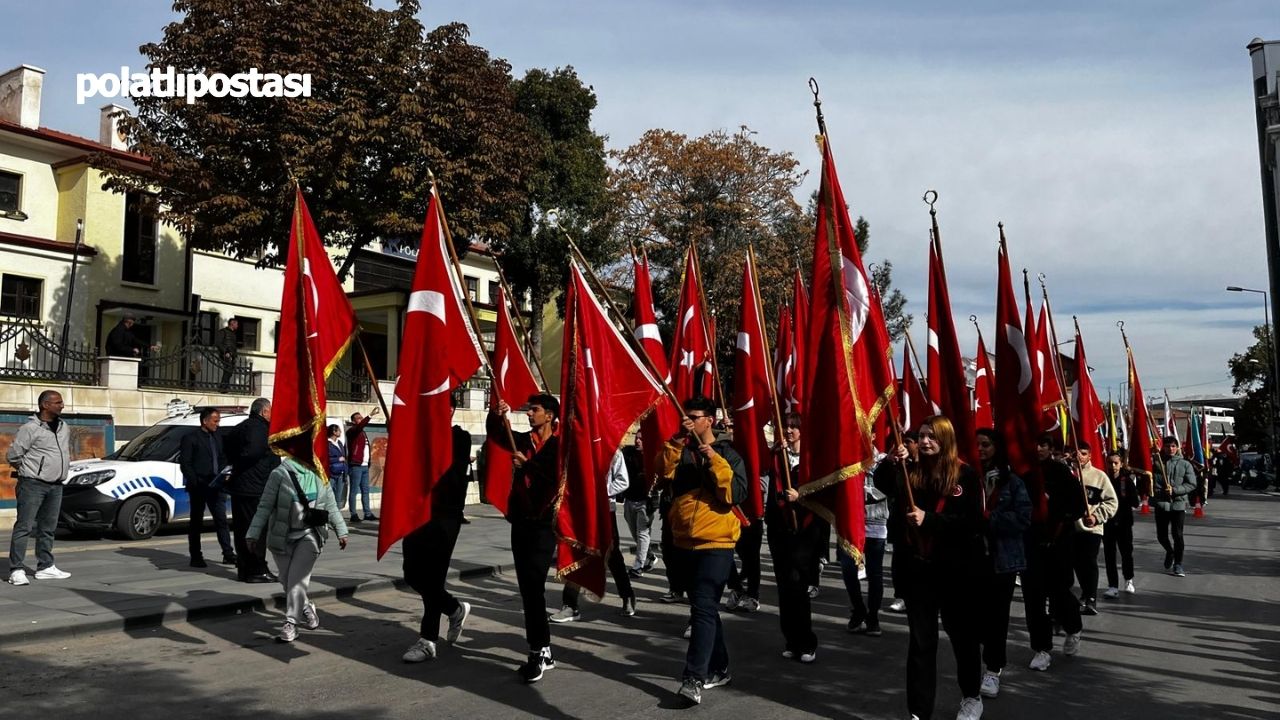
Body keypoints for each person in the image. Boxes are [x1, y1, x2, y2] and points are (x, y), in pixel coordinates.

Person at [887, 416, 986, 720]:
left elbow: (973, 525)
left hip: (957, 573)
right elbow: (881, 482)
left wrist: (929, 519)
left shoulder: (966, 476)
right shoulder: (911, 473)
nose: (926, 441)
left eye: (932, 436)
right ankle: (919, 710)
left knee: (963, 639)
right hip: (920, 573)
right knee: (921, 642)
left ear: (946, 439)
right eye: (922, 436)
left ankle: (971, 696)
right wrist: (893, 459)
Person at [660, 396, 748, 707]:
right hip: (683, 542)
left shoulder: (728, 454)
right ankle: (720, 667)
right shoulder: (680, 451)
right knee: (704, 607)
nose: (688, 421)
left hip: (717, 544)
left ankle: (693, 677)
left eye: (694, 417)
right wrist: (675, 441)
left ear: (709, 420)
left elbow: (734, 493)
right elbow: (662, 473)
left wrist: (713, 459)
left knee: (703, 607)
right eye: (685, 417)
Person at [486, 393, 561, 683]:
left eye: (535, 410)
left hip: (544, 525)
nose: (529, 414)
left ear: (550, 416)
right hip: (521, 523)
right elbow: (496, 433)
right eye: (529, 409)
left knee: (533, 587)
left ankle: (538, 651)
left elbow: (556, 477)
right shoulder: (522, 441)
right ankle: (543, 649)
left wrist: (527, 466)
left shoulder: (558, 446)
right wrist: (496, 413)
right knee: (528, 588)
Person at [402, 393, 474, 662]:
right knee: (411, 574)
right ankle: (454, 609)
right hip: (417, 513)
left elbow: (447, 468)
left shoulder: (460, 437)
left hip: (445, 517)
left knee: (433, 577)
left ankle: (428, 640)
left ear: (451, 410)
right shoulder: (418, 436)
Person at [247, 457, 348, 642]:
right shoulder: (279, 474)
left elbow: (331, 506)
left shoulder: (320, 474)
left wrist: (341, 531)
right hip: (282, 537)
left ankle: (291, 623)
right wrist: (253, 533)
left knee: (296, 581)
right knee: (286, 580)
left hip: (310, 536)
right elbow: (265, 505)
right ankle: (307, 607)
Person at [974, 428, 1031, 700]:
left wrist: (989, 517)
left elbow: (1023, 519)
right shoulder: (966, 478)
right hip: (972, 560)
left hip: (1002, 561)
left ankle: (993, 669)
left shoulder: (1013, 483)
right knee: (976, 618)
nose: (980, 449)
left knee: (997, 618)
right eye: (976, 445)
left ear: (997, 447)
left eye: (985, 444)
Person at [1022, 432, 1086, 672]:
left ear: (1050, 448)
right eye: (1034, 444)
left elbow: (1078, 505)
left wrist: (1060, 517)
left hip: (1059, 543)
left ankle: (1073, 627)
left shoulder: (1061, 473)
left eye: (1042, 444)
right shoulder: (1022, 473)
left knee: (1059, 593)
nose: (1038, 448)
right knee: (1033, 599)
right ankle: (1041, 648)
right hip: (1031, 544)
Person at [551, 450, 638, 621]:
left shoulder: (613, 451)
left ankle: (627, 596)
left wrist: (598, 492)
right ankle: (570, 605)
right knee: (577, 554)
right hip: (581, 510)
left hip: (605, 510)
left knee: (612, 556)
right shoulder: (577, 449)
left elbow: (622, 481)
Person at [766, 413, 824, 660]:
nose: (789, 431)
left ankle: (807, 642)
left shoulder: (812, 460)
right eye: (785, 427)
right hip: (780, 531)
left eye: (793, 427)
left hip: (805, 533)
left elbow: (822, 496)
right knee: (784, 588)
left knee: (799, 587)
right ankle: (790, 639)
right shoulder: (778, 457)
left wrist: (800, 497)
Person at [7, 390, 72, 585]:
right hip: (32, 484)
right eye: (57, 402)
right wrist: (31, 470)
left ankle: (45, 566)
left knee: (48, 528)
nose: (62, 405)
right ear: (45, 405)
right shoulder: (30, 428)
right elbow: (13, 456)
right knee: (24, 527)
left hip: (56, 485)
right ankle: (16, 569)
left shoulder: (63, 426)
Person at [226, 398, 279, 583]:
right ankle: (256, 569)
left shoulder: (241, 427)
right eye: (271, 410)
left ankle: (245, 568)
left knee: (242, 529)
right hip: (255, 487)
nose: (273, 414)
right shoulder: (259, 429)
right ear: (264, 412)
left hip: (242, 486)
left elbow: (227, 449)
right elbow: (253, 452)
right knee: (256, 529)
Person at [179, 407, 235, 568]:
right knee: (196, 522)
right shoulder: (191, 438)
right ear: (205, 421)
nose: (217, 424)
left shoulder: (218, 436)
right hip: (199, 486)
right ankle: (196, 555)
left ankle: (228, 553)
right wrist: (195, 481)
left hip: (217, 485)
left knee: (221, 520)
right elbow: (186, 463)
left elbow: (223, 456)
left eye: (219, 421)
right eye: (215, 421)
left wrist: (226, 472)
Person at [1071, 443, 1117, 617]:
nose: (1079, 457)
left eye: (1083, 453)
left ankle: (1091, 598)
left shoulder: (1100, 476)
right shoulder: (1067, 475)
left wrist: (1097, 516)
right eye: (1076, 453)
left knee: (1089, 561)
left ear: (1089, 455)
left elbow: (1112, 502)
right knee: (1076, 563)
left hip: (1091, 529)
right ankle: (1084, 590)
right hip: (1070, 527)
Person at [1151, 436, 1196, 577]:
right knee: (1161, 535)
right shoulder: (1157, 462)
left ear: (1177, 448)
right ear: (1163, 447)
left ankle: (1178, 564)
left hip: (1178, 505)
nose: (1170, 449)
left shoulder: (1185, 464)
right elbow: (1149, 480)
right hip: (1161, 504)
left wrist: (1175, 490)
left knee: (1178, 535)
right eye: (1167, 446)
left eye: (1173, 446)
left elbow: (1192, 484)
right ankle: (1169, 551)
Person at [885, 431, 919, 616]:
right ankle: (901, 596)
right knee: (900, 563)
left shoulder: (925, 466)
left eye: (908, 442)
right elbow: (884, 484)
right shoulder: (900, 466)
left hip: (923, 526)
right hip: (902, 525)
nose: (904, 446)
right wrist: (890, 462)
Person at [1102, 449, 1140, 598]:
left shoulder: (1127, 481)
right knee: (1109, 555)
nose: (1113, 466)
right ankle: (1112, 586)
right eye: (1110, 463)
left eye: (1116, 463)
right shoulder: (1104, 480)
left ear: (1121, 464)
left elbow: (1135, 503)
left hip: (1124, 524)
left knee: (1126, 554)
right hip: (1108, 524)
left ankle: (1128, 579)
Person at [620, 437, 658, 577]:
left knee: (642, 533)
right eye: (636, 437)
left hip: (645, 502)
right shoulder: (628, 453)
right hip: (630, 500)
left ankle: (638, 566)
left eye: (642, 438)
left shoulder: (653, 457)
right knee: (635, 532)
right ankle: (650, 557)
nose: (638, 441)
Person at [345, 407, 381, 522]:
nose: (361, 419)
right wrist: (370, 415)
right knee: (354, 490)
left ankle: (367, 513)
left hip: (365, 466)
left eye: (361, 417)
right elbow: (360, 427)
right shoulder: (352, 431)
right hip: (356, 466)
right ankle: (353, 514)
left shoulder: (362, 432)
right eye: (358, 418)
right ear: (354, 421)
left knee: (365, 490)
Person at [325, 424, 348, 513]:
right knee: (329, 496)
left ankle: (337, 516)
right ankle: (329, 515)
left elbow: (344, 457)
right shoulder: (328, 444)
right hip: (332, 473)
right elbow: (325, 459)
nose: (340, 432)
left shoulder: (339, 443)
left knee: (338, 497)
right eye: (339, 430)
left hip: (341, 473)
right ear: (334, 432)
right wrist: (337, 459)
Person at [217, 317, 239, 392]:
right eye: (236, 324)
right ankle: (222, 388)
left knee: (229, 372)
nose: (237, 326)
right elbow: (218, 343)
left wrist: (235, 355)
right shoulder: (223, 331)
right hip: (225, 354)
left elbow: (233, 345)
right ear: (232, 323)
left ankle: (225, 387)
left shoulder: (234, 334)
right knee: (228, 369)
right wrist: (225, 352)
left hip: (232, 355)